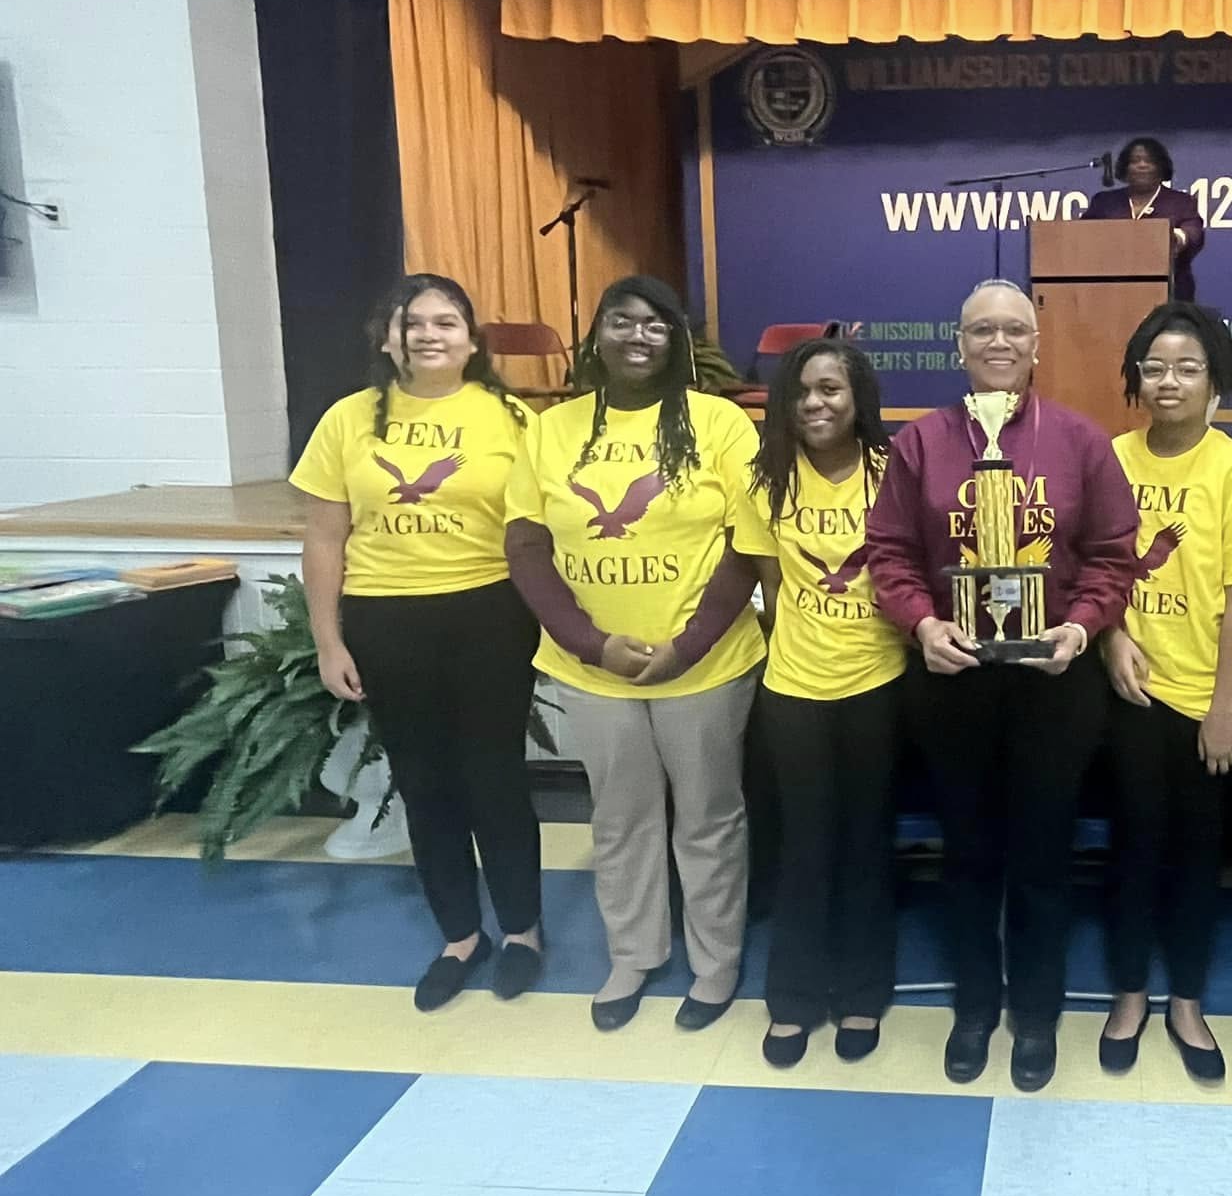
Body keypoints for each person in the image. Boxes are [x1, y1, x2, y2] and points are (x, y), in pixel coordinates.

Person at [866, 278, 1140, 1091]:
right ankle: (976, 1008)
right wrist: (921, 623)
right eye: (981, 330)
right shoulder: (918, 444)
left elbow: (1112, 554)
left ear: (1035, 345)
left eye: (1013, 330)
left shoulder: (1082, 443)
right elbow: (889, 554)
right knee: (969, 856)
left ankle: (1038, 1015)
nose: (997, 342)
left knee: (1043, 857)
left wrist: (1083, 626)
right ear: (959, 345)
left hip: (1053, 682)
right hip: (954, 682)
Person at [503, 275, 766, 1034]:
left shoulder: (717, 423)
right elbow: (526, 545)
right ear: (597, 337)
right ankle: (634, 952)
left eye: (657, 323)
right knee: (619, 817)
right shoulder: (554, 429)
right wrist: (590, 643)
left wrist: (686, 646)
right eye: (622, 321)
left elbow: (748, 544)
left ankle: (715, 961)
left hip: (706, 664)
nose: (639, 335)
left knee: (710, 818)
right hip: (590, 668)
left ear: (678, 339)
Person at [293, 274, 544, 1012]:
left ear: (473, 339)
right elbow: (323, 537)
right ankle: (459, 936)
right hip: (385, 618)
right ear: (387, 338)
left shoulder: (511, 418)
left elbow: (536, 532)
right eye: (413, 323)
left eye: (446, 321)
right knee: (426, 783)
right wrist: (327, 639)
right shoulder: (346, 421)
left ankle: (523, 931)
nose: (430, 334)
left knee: (495, 778)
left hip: (488, 612)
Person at [1098, 303, 1232, 1084]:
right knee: (1133, 849)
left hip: (1206, 702)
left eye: (1187, 368)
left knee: (1198, 856)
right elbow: (1092, 571)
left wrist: (1224, 709)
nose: (1169, 382)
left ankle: (1188, 1001)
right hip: (1132, 693)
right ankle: (1130, 994)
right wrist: (1112, 637)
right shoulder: (1112, 459)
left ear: (1215, 382)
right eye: (1155, 367)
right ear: (1136, 378)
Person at [737, 338, 905, 1068]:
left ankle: (864, 989)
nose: (816, 403)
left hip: (879, 686)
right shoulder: (766, 478)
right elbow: (774, 592)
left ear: (857, 397)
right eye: (803, 391)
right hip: (794, 691)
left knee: (867, 842)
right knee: (805, 847)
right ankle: (794, 997)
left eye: (832, 389)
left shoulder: (892, 473)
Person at [1081, 136, 1207, 302]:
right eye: (1135, 161)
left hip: (1170, 295)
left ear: (1161, 167)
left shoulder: (1180, 202)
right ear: (1125, 168)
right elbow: (1082, 237)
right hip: (1111, 295)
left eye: (1150, 161)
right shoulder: (1105, 202)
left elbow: (1194, 232)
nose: (1142, 165)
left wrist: (1177, 238)